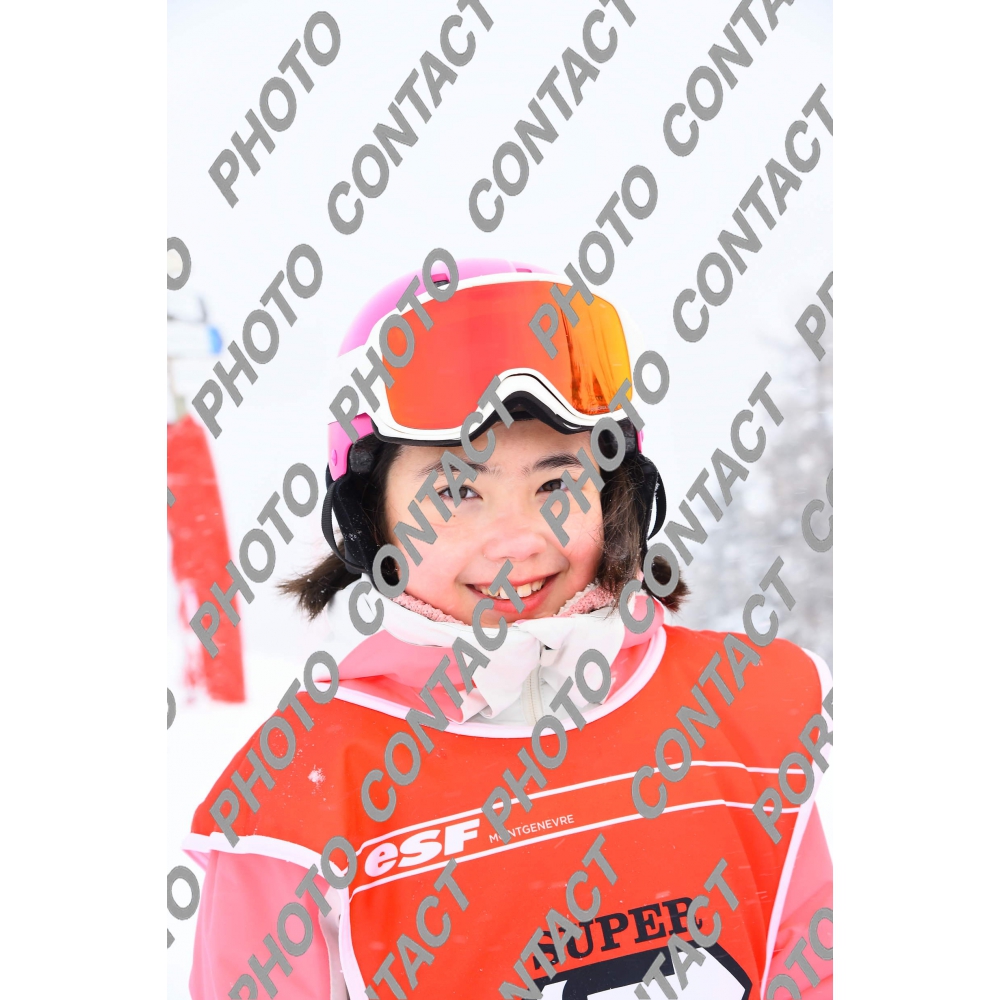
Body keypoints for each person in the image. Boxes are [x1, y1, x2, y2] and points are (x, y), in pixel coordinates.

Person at [185, 257, 832, 999]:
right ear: (373, 516)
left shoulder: (736, 711)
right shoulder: (299, 795)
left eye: (556, 483)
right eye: (457, 491)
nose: (519, 540)